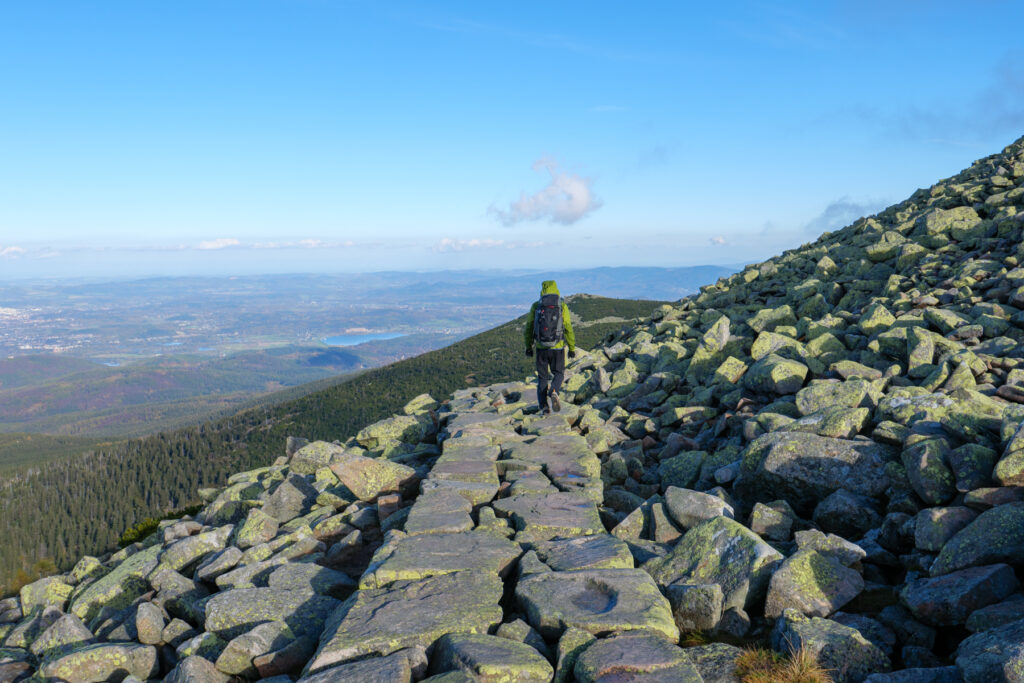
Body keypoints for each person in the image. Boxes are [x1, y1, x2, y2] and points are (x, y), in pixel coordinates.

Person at [524, 280, 576, 413]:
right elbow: (568, 328)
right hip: (557, 347)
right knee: (558, 373)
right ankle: (554, 391)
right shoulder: (561, 305)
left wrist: (528, 346)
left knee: (542, 378)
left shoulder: (536, 306)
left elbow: (529, 327)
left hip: (541, 348)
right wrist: (571, 347)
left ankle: (544, 407)